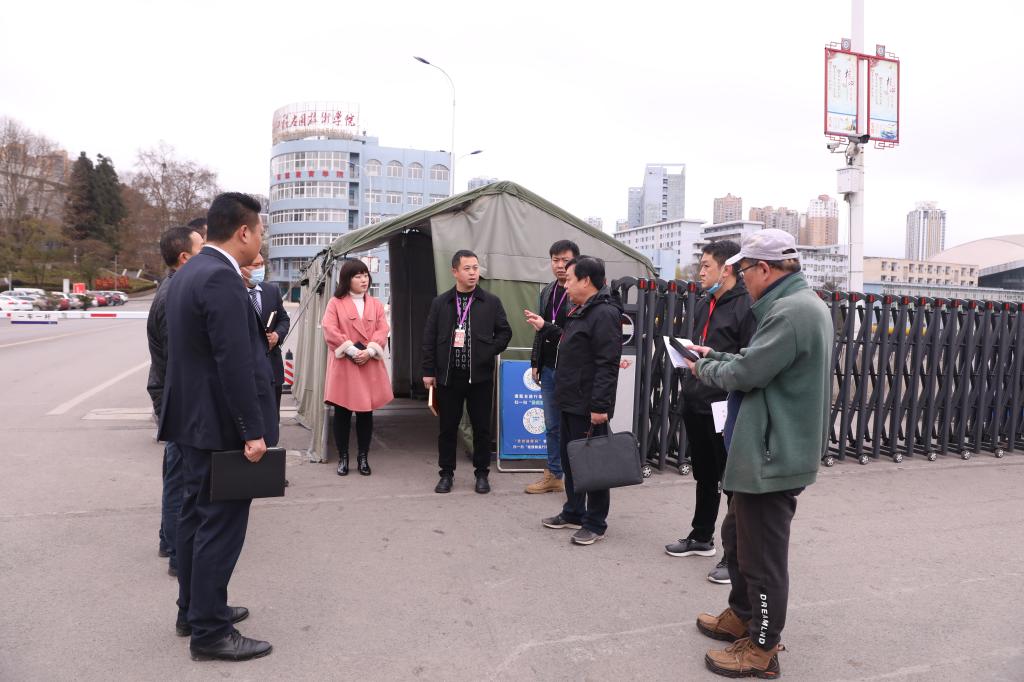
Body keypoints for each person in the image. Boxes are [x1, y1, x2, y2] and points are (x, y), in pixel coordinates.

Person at [681, 229, 831, 678]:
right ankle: (743, 615)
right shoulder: (793, 306)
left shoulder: (791, 311)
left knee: (761, 555)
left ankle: (763, 647)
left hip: (773, 453)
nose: (740, 278)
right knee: (737, 536)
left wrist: (704, 367)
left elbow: (748, 373)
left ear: (764, 268)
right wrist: (716, 354)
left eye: (743, 270)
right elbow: (758, 362)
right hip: (764, 449)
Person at [159, 192, 278, 662]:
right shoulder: (221, 278)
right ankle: (210, 632)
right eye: (261, 232)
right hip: (220, 425)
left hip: (192, 421)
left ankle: (194, 611)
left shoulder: (189, 273)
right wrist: (252, 430)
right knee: (220, 526)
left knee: (195, 519)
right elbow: (234, 361)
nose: (262, 240)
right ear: (244, 232)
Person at [664, 240, 756, 585]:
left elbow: (747, 361)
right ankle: (701, 536)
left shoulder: (746, 307)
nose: (700, 272)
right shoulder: (705, 302)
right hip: (697, 402)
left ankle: (736, 557)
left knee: (731, 482)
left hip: (725, 406)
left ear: (726, 269)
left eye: (706, 266)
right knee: (704, 474)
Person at [537, 256, 622, 546]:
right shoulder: (580, 310)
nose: (566, 285)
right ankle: (574, 511)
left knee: (592, 464)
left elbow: (607, 364)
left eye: (570, 279)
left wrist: (600, 407)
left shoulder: (605, 314)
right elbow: (571, 345)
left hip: (588, 405)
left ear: (586, 281)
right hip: (569, 399)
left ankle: (595, 522)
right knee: (571, 459)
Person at [422, 250, 512, 494]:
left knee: (481, 428)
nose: (473, 273)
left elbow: (505, 332)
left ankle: (482, 474)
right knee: (447, 428)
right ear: (455, 272)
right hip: (449, 376)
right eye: (467, 268)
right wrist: (428, 370)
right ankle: (446, 474)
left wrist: (487, 351)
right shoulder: (441, 302)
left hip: (480, 376)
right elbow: (429, 338)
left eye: (475, 268)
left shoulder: (490, 302)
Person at [147, 225, 204, 577]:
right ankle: (175, 549)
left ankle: (170, 540)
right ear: (184, 257)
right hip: (177, 397)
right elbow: (177, 359)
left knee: (177, 473)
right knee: (181, 478)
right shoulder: (173, 296)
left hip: (174, 394)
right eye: (202, 248)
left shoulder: (175, 287)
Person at [321, 258, 394, 476]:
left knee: (365, 413)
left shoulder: (375, 304)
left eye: (365, 275)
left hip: (368, 362)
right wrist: (352, 350)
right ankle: (343, 457)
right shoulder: (335, 303)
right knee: (342, 412)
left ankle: (363, 457)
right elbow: (329, 329)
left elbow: (382, 329)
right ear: (347, 279)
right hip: (345, 364)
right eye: (358, 276)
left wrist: (370, 351)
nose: (364, 280)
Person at [523, 239, 579, 495]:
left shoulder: (580, 292)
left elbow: (574, 333)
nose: (560, 265)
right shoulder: (547, 291)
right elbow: (540, 329)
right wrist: (536, 361)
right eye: (555, 260)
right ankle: (555, 474)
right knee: (552, 424)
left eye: (565, 260)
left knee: (574, 425)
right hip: (548, 367)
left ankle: (578, 476)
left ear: (575, 261)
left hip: (572, 370)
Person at [241, 251, 291, 412]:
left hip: (272, 367)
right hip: (247, 369)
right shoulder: (233, 293)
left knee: (272, 417)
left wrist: (277, 335)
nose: (260, 268)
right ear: (241, 268)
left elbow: (283, 319)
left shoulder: (272, 290)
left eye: (262, 264)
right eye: (256, 265)